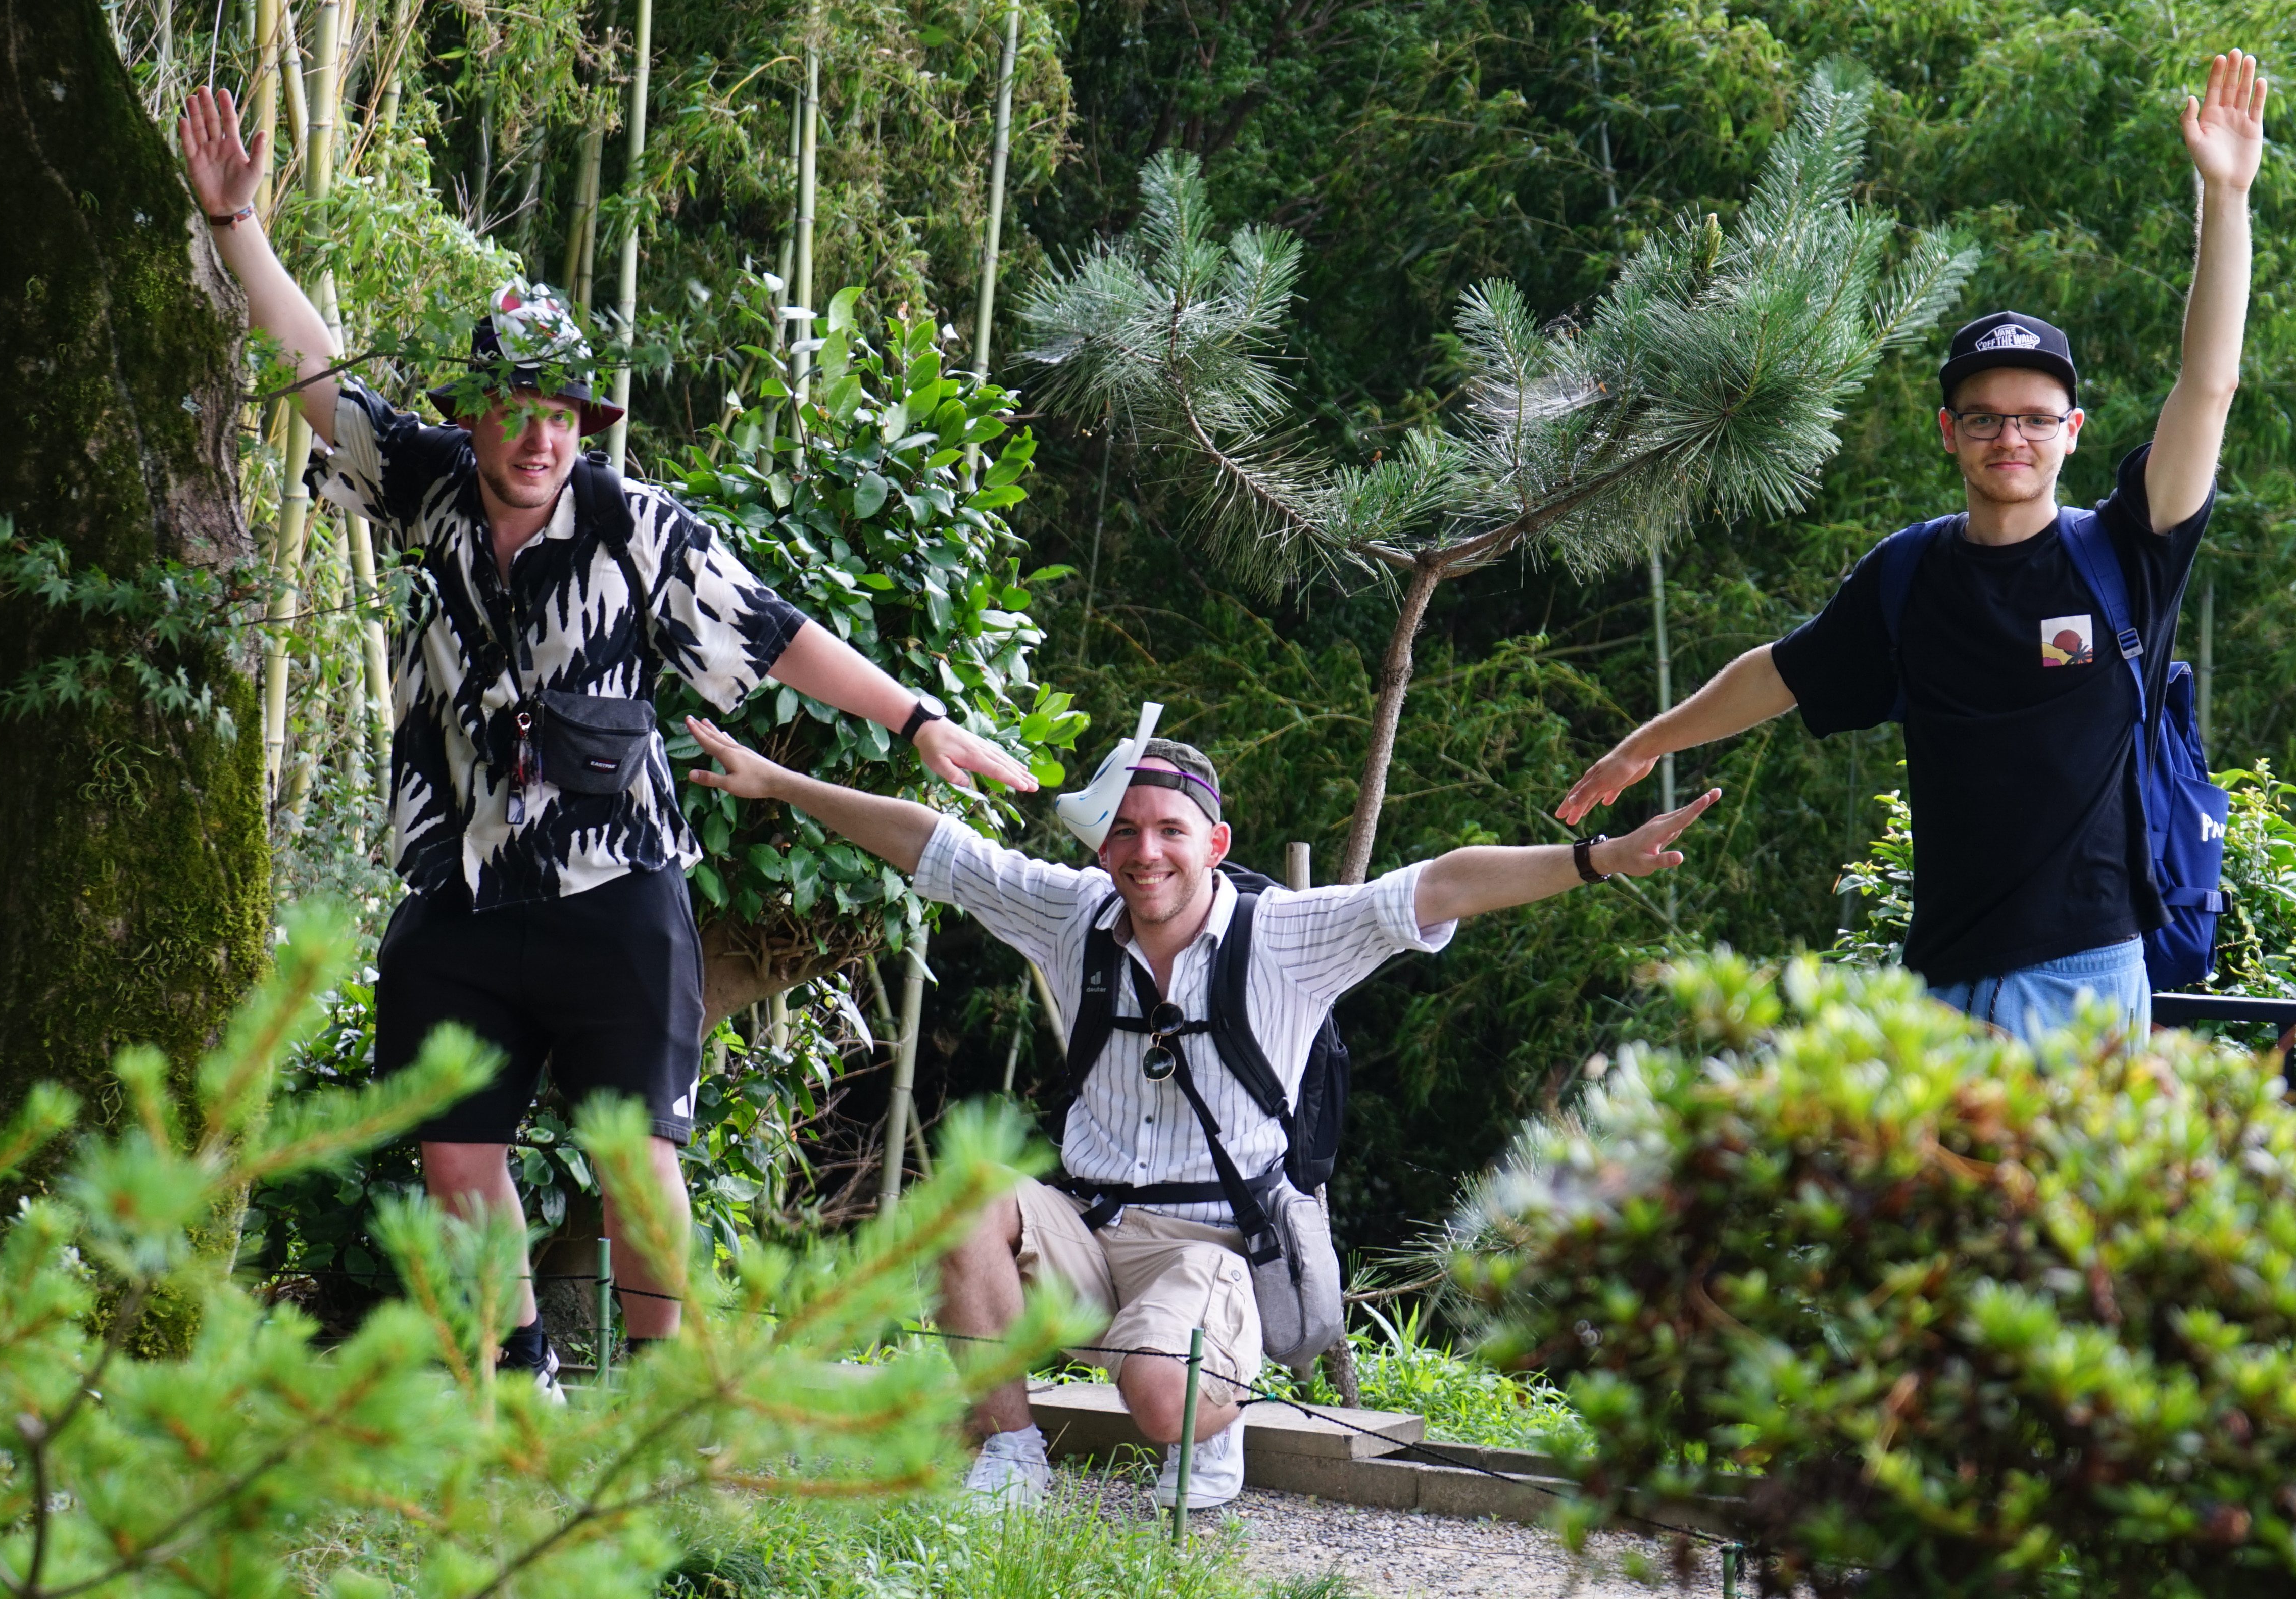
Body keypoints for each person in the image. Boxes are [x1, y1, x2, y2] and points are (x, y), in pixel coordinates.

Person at [178, 85, 1036, 1387]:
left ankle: (662, 1393)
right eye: (516, 409)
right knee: (454, 1150)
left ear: (586, 426)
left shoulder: (639, 528)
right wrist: (239, 224)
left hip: (612, 888)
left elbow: (779, 631)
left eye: (563, 414)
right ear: (477, 414)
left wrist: (918, 718)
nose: (539, 436)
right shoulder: (426, 486)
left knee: (640, 1162)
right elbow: (314, 374)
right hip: (460, 883)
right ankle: (516, 1364)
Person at [681, 716, 1721, 1510]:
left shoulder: (1288, 934)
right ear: (1102, 848)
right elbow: (935, 846)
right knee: (966, 1198)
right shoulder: (1073, 914)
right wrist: (777, 780)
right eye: (1125, 832)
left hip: (1215, 1248)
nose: (1146, 854)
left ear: (1215, 839)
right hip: (1083, 1230)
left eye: (1171, 830)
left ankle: (1207, 1407)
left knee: (1156, 1395)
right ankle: (1009, 1450)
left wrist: (1595, 859)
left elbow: (1440, 883)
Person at [1556, 49, 2268, 1046]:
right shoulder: (1908, 575)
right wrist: (1649, 742)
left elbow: (2209, 386)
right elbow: (1784, 671)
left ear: (2071, 430)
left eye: (2033, 418)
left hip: (2084, 980)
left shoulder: (2126, 553)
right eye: (1983, 419)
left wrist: (2224, 195)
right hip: (1936, 988)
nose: (2008, 438)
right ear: (1948, 431)